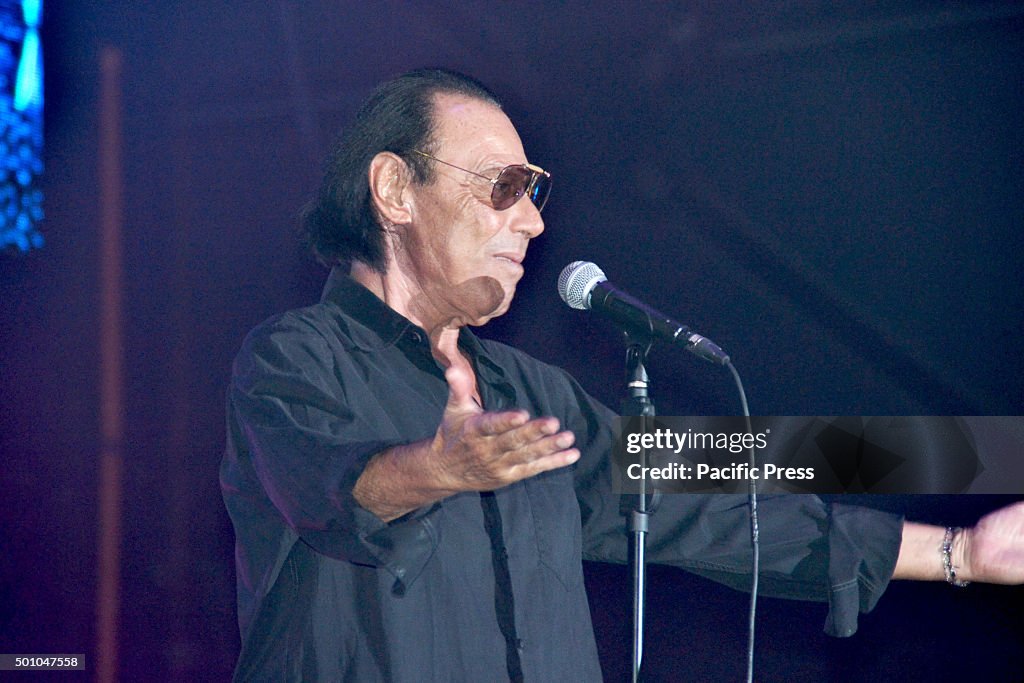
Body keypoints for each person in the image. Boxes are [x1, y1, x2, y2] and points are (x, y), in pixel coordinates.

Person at [220, 68, 1024, 682]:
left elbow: (717, 504)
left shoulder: (535, 396)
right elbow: (327, 489)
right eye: (504, 186)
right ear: (396, 189)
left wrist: (961, 551)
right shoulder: (292, 355)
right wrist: (433, 468)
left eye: (534, 193)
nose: (532, 220)